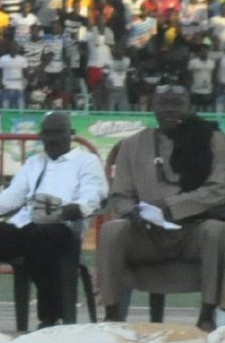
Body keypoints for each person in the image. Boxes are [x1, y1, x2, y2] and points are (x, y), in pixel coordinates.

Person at [0, 111, 106, 330]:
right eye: (47, 133)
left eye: (58, 133)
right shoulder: (34, 162)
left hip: (63, 227)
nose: (52, 138)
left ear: (71, 134)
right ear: (41, 136)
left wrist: (79, 207)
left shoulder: (86, 161)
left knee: (41, 238)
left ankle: (50, 318)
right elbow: (14, 194)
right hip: (23, 226)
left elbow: (94, 192)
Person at [96, 85, 225, 330]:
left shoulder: (212, 139)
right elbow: (120, 194)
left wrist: (171, 206)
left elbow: (219, 189)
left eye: (176, 103)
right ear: (152, 107)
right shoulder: (133, 144)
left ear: (190, 107)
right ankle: (112, 316)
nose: (169, 110)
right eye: (163, 104)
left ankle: (206, 316)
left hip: (193, 231)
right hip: (147, 233)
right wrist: (132, 212)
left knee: (215, 231)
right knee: (112, 230)